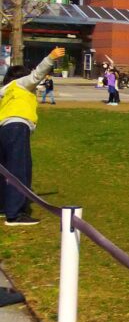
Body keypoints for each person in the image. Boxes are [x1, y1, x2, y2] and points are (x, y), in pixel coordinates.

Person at [1, 47, 65, 226]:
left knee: (5, 170)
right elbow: (37, 74)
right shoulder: (21, 83)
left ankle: (4, 206)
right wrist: (50, 58)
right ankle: (15, 214)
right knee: (19, 169)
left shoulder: (5, 90)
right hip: (17, 127)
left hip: (3, 129)